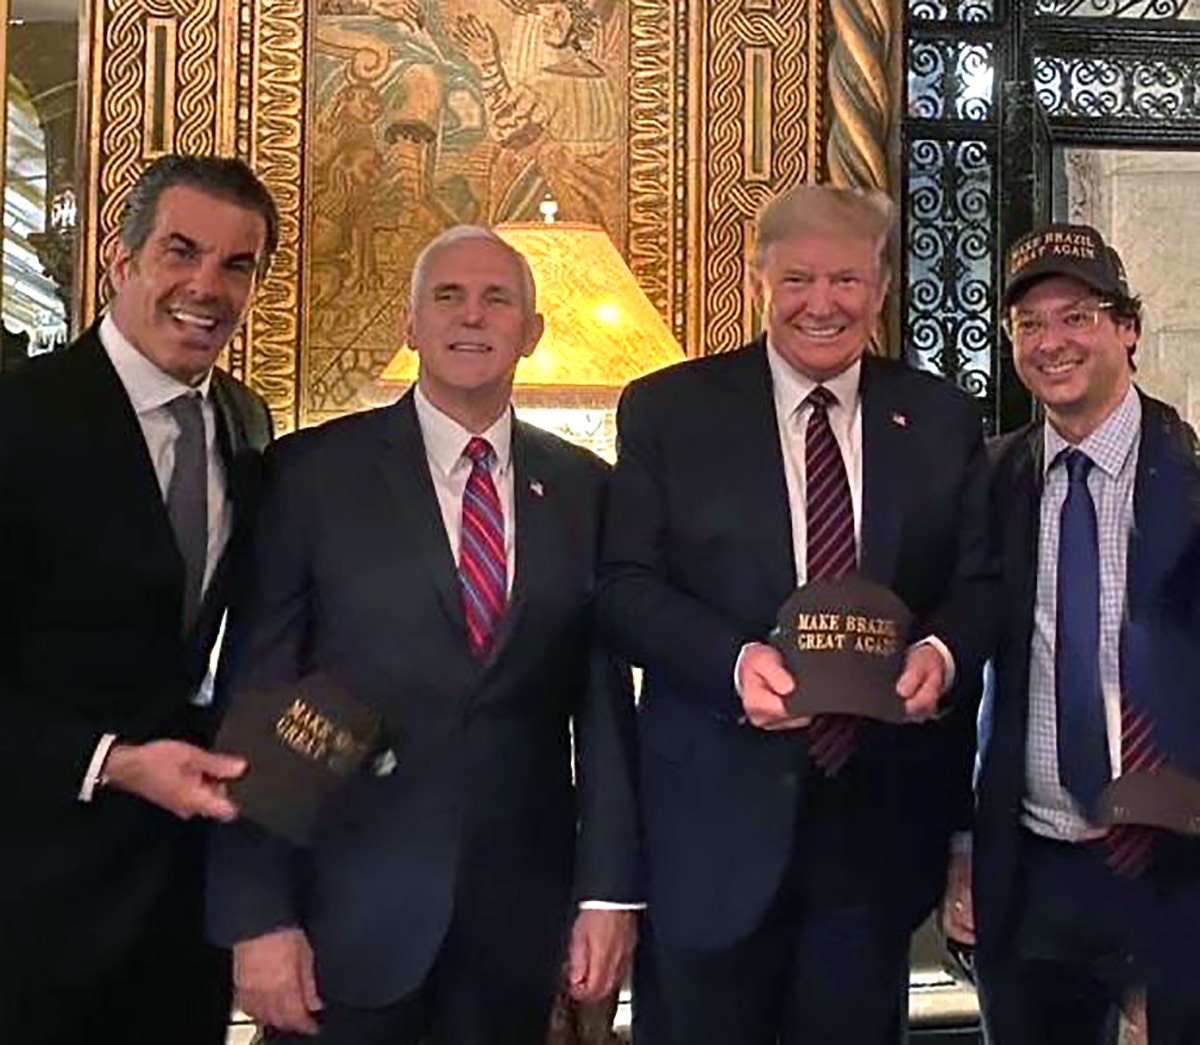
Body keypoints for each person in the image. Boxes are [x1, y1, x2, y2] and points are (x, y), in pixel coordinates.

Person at [207, 224, 641, 1044]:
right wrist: (256, 916)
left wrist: (608, 894)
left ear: (532, 332)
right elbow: (257, 699)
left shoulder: (588, 489)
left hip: (519, 925)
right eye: (447, 296)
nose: (471, 316)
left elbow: (605, 713)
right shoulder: (311, 475)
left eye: (496, 299)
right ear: (410, 326)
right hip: (345, 918)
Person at [598, 183, 998, 1045]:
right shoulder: (669, 410)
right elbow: (625, 587)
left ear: (882, 288)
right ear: (758, 281)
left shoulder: (939, 418)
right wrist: (732, 664)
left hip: (876, 828)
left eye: (847, 280)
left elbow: (982, 587)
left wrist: (944, 649)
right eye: (799, 279)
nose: (824, 303)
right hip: (710, 821)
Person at [0, 154, 278, 1045]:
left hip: (176, 904)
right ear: (123, 262)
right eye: (181, 252)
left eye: (237, 265)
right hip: (30, 891)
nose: (207, 285)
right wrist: (111, 760)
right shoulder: (20, 419)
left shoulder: (246, 420)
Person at [945, 223, 1200, 1043]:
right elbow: (956, 674)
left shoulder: (1193, 483)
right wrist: (960, 847)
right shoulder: (987, 481)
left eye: (1077, 315)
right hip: (1031, 869)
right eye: (1029, 323)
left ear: (1127, 326)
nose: (1051, 341)